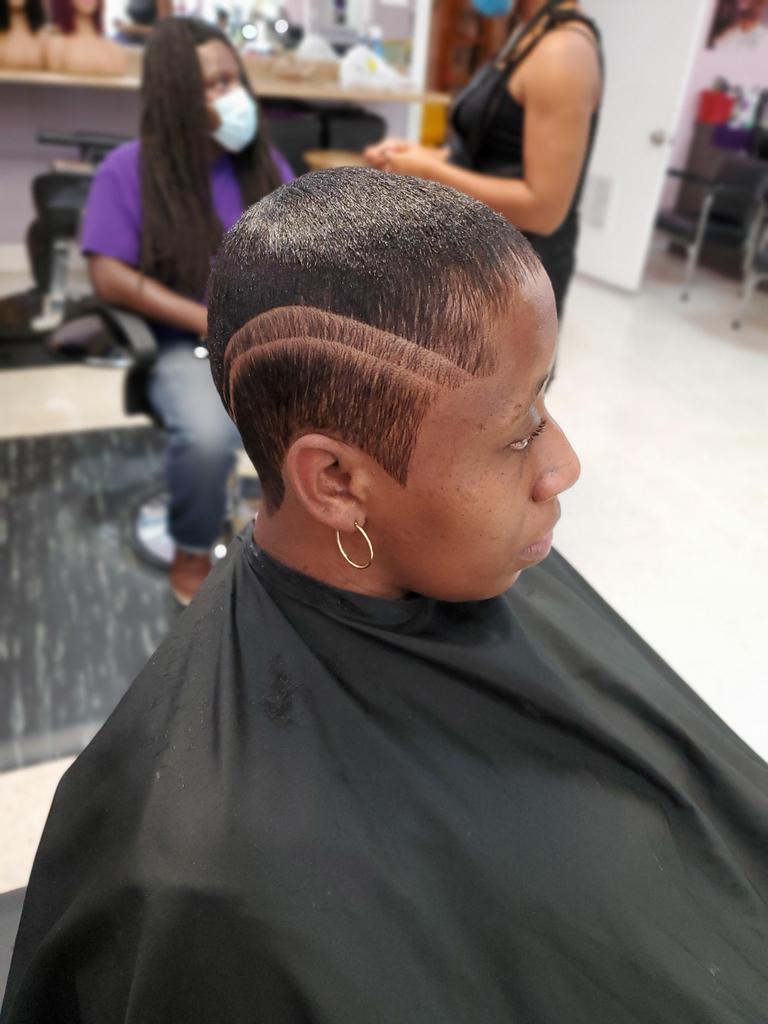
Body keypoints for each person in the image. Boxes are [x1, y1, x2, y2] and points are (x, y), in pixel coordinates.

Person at [3, 169, 768, 1023]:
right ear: (336, 481)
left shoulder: (487, 559)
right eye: (519, 433)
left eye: (545, 398)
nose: (564, 464)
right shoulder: (211, 875)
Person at [80, 16, 294, 603]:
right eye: (213, 84)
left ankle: (296, 536)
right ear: (176, 96)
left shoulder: (263, 166)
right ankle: (192, 547)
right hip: (186, 345)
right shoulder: (127, 171)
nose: (232, 95)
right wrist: (206, 320)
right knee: (206, 437)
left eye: (233, 79)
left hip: (266, 335)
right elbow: (108, 276)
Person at [365, 0, 602, 320]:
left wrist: (429, 172)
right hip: (484, 257)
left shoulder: (562, 52)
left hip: (516, 277)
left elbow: (544, 210)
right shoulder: (530, 34)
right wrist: (420, 156)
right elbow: (491, 153)